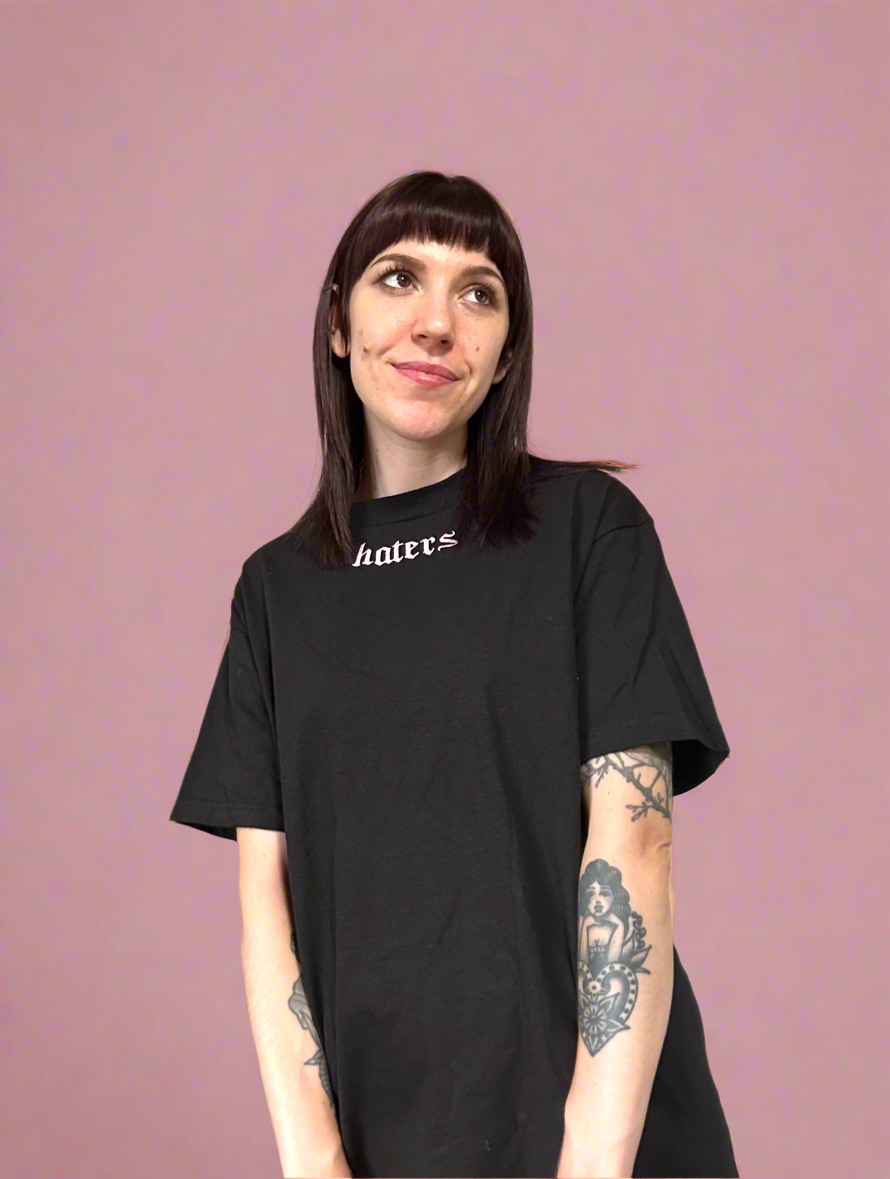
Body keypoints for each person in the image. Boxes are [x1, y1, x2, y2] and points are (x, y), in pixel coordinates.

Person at [169, 170, 739, 1179]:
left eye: (478, 293)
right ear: (337, 325)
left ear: (505, 352)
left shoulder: (587, 531)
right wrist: (315, 1164)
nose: (436, 321)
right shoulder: (275, 593)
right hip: (386, 1144)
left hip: (600, 1142)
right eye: (398, 278)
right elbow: (267, 914)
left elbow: (634, 846)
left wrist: (591, 1163)